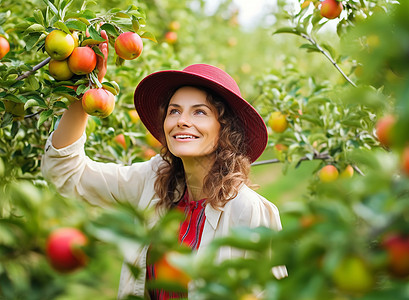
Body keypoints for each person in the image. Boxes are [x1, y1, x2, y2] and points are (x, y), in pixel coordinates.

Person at [41, 33, 287, 299]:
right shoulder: (153, 181)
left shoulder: (247, 211)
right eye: (174, 110)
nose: (181, 120)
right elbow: (66, 173)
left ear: (225, 129)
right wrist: (87, 89)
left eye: (199, 112)